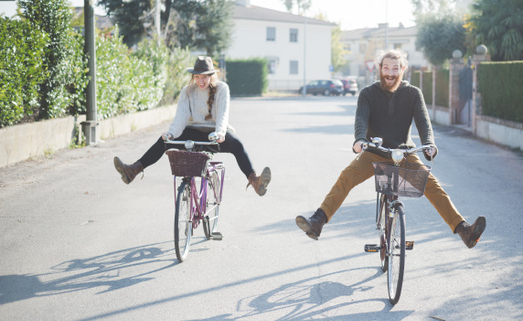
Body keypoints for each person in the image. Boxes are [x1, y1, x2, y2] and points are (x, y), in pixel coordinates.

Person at [295, 49, 485, 248]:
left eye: (395, 68)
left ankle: (464, 230)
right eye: (386, 67)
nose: (390, 73)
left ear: (403, 70)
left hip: (404, 153)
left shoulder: (413, 94)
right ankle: (318, 221)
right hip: (374, 152)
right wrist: (360, 139)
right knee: (347, 176)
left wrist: (429, 143)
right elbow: (361, 118)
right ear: (380, 69)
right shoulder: (368, 94)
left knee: (432, 185)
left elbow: (423, 121)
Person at [114, 56, 271, 196]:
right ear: (193, 76)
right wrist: (171, 134)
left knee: (237, 145)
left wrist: (220, 133)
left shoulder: (222, 89)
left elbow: (223, 114)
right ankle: (132, 170)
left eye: (204, 77)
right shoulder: (187, 91)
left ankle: (255, 181)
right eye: (197, 77)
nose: (200, 81)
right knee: (163, 141)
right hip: (192, 132)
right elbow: (181, 117)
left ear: (211, 76)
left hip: (214, 135)